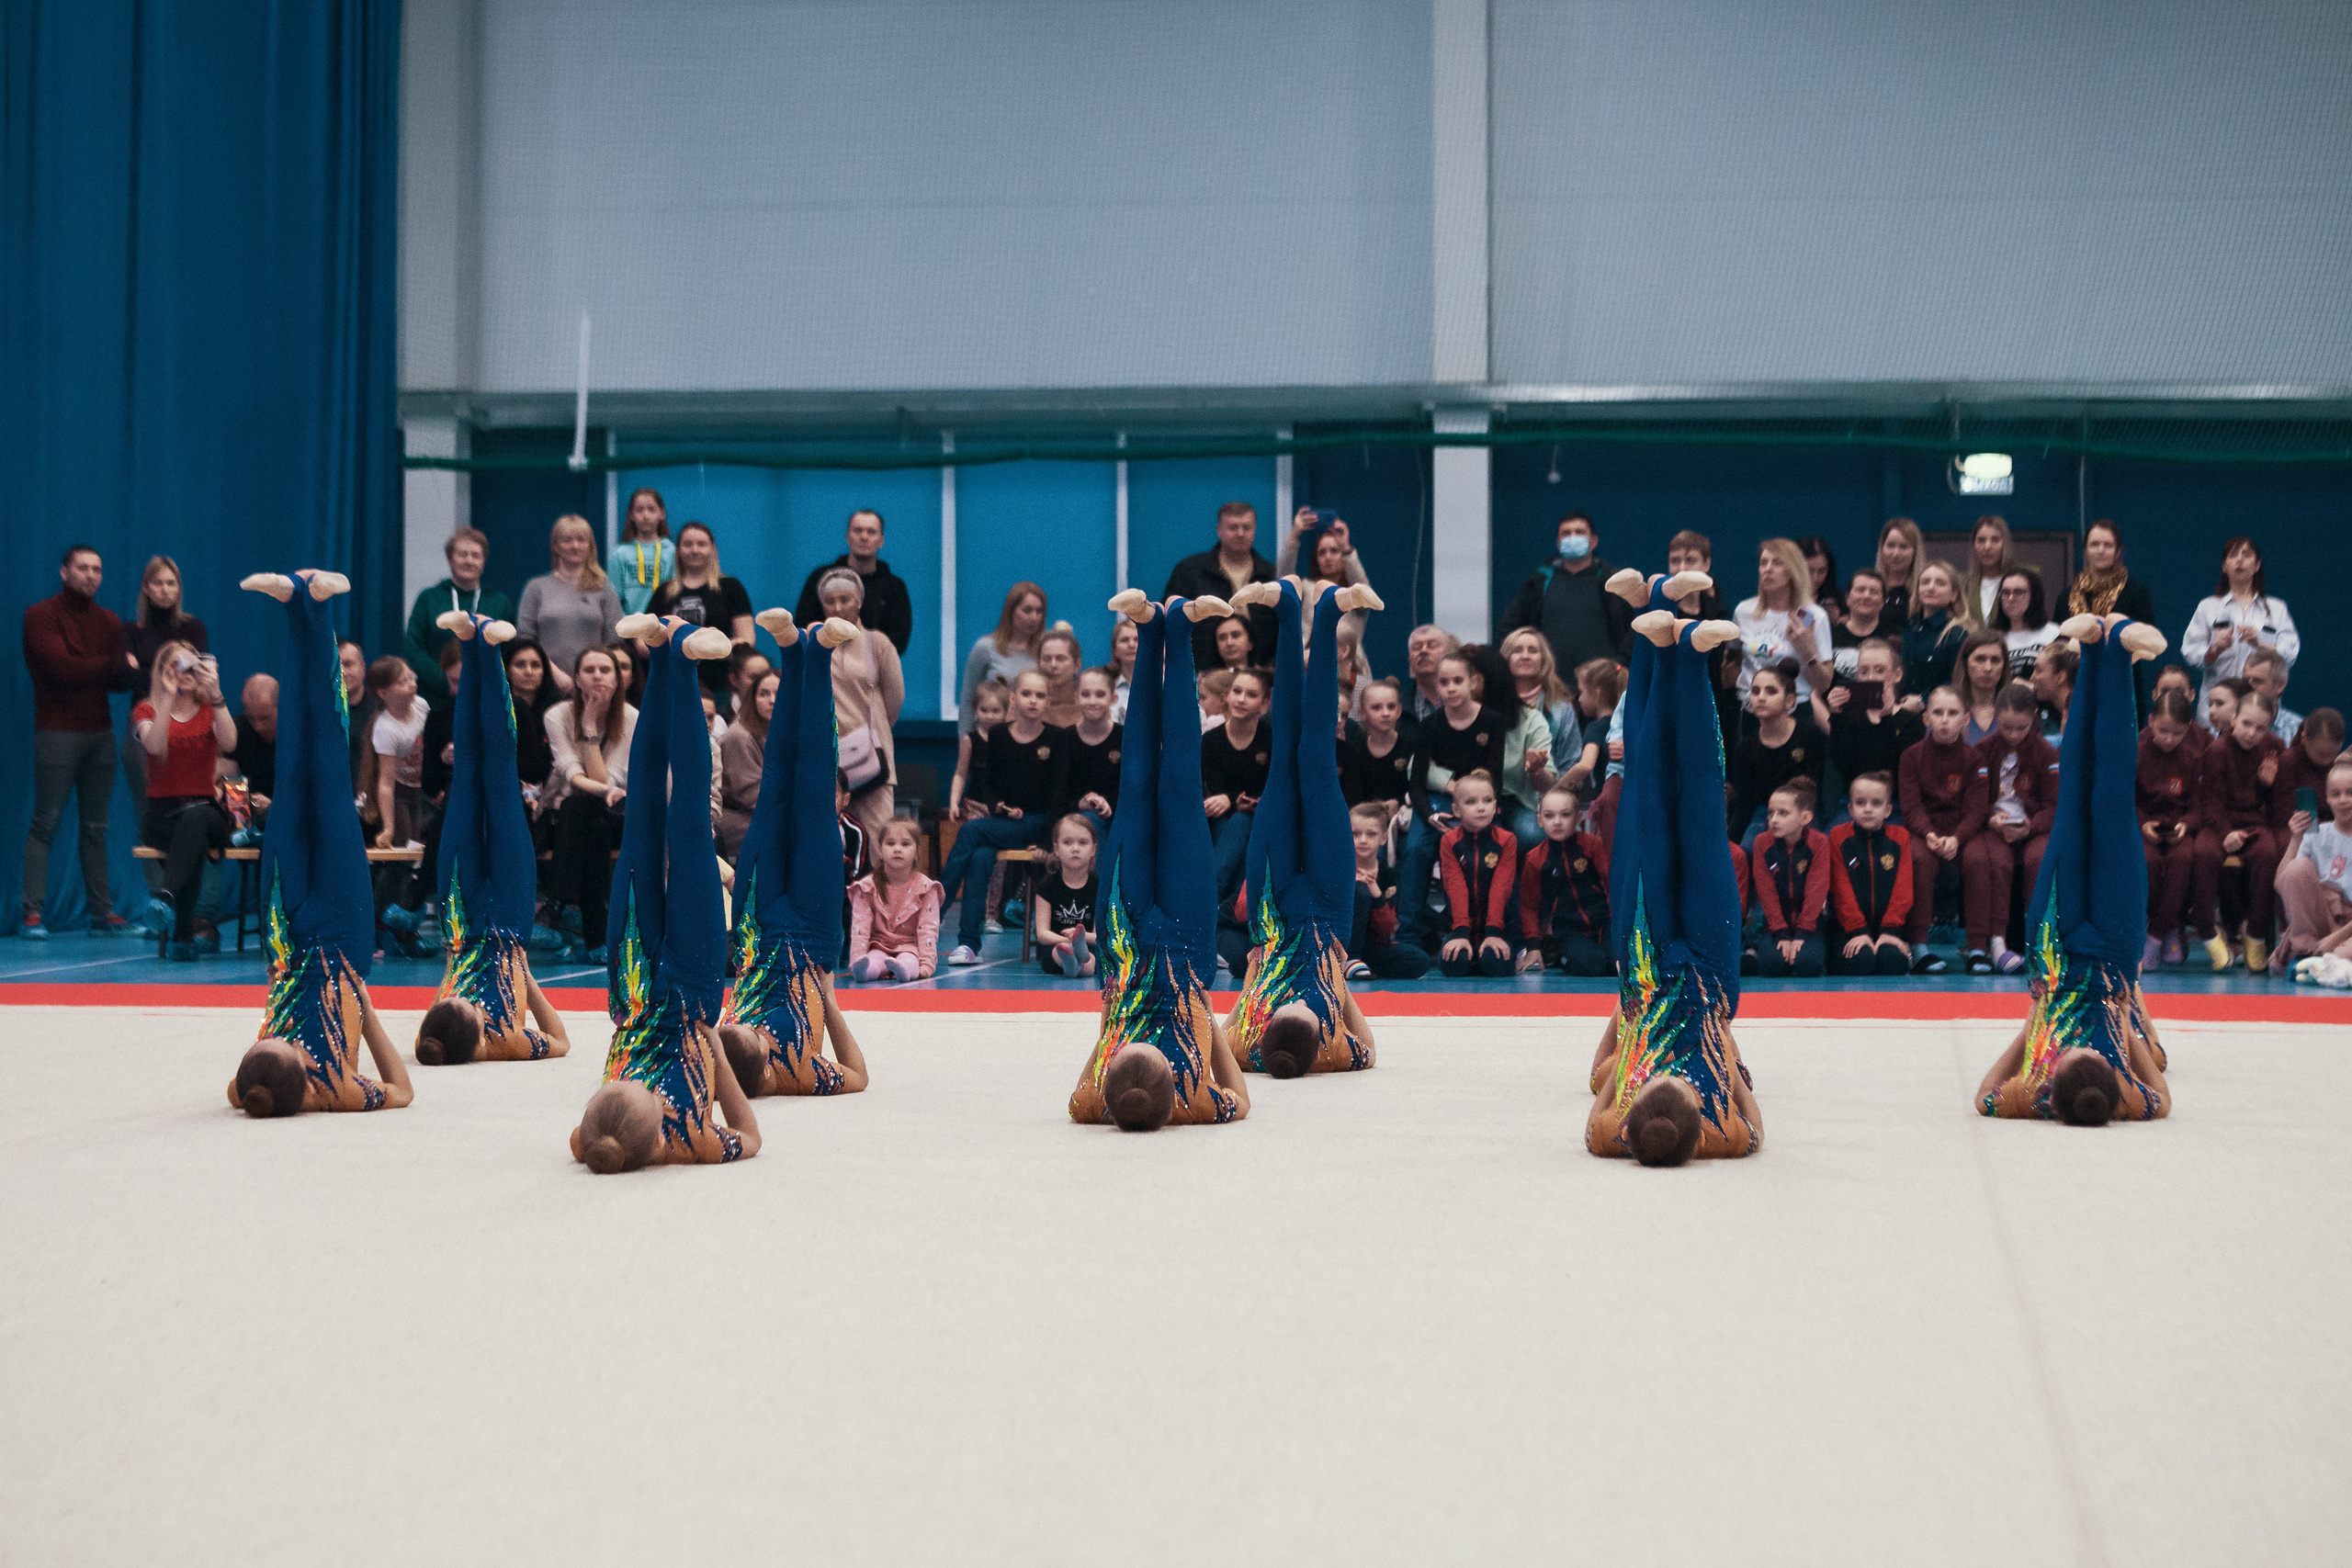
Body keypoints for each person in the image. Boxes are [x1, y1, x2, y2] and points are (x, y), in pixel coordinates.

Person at [572, 615, 766, 1168]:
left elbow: (749, 1136)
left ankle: (667, 653)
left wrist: (708, 1038)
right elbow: (749, 1140)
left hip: (662, 997)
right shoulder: (617, 1137)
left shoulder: (682, 1138)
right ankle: (670, 652)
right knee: (671, 823)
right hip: (646, 994)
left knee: (657, 822)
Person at [227, 570, 413, 1117]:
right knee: (324, 771)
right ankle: (314, 612)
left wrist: (359, 1001)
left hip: (289, 945)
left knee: (293, 770)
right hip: (337, 933)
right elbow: (402, 1091)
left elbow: (400, 1091)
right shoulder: (330, 1088)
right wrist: (362, 1002)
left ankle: (296, 607)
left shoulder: (257, 1085)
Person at [1587, 579, 1761, 1164]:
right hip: (1652, 970)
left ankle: (1676, 641)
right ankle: (1673, 642)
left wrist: (1729, 1068)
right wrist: (1636, 1035)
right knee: (1670, 803)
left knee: (1683, 804)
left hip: (1689, 974)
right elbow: (1598, 1086)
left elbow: (1749, 1105)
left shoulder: (1726, 1136)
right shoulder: (1612, 1130)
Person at [1974, 613, 2171, 1124]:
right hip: (2056, 956)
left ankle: (2110, 653)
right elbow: (1984, 1096)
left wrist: (2127, 1031)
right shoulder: (2038, 1090)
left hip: (2099, 952)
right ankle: (2097, 652)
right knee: (2091, 800)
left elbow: (2163, 1099)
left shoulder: (2121, 1096)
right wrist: (2026, 1034)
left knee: (2101, 797)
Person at [1070, 590, 1252, 1129]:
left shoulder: (1184, 1098)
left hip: (1138, 944)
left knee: (1146, 781)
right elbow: (1239, 1099)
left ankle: (1158, 630)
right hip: (1163, 942)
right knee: (1169, 784)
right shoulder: (1095, 1100)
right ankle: (1168, 629)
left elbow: (1239, 1098)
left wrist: (1205, 1020)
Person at [1219, 576, 1384, 1076]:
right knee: (1311, 756)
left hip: (1281, 911)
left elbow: (1369, 1047)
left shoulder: (1259, 1041)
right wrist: (1333, 982)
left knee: (1290, 759)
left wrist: (1329, 982)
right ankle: (1320, 609)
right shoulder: (1258, 1043)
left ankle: (1299, 607)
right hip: (1315, 910)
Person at [715, 609, 871, 1098]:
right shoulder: (794, 1072)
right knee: (811, 788)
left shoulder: (752, 1056)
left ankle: (794, 651)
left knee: (779, 789)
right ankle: (812, 655)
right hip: (804, 926)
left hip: (758, 929)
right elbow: (859, 1075)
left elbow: (858, 1077)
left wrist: (827, 999)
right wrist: (828, 996)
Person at [413, 613, 571, 1066]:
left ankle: (471, 643)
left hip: (464, 924)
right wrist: (521, 972)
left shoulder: (487, 1036)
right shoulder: (496, 1038)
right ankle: (485, 649)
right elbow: (559, 1042)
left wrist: (523, 975)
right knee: (496, 776)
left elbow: (558, 1041)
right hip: (492, 917)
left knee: (470, 774)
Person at [21, 544, 136, 938]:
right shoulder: (41, 616)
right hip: (56, 732)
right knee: (46, 823)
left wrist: (111, 669)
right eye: (83, 568)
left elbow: (124, 681)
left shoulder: (110, 621)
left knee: (95, 828)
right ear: (64, 572)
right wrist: (111, 665)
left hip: (100, 733)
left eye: (97, 569)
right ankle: (31, 914)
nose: (91, 575)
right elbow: (60, 670)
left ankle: (102, 914)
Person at [941, 667, 1075, 964]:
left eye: (1040, 695)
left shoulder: (1057, 738)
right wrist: (998, 805)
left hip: (1038, 823)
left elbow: (1058, 794)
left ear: (1048, 702)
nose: (1033, 701)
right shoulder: (999, 735)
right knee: (978, 858)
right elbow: (989, 783)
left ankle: (935, 907)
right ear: (1013, 698)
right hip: (1004, 822)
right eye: (1026, 694)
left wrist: (1047, 840)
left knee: (970, 832)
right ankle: (968, 945)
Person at [1398, 650, 1509, 948]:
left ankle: (1483, 929)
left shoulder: (1492, 722)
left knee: (1484, 855)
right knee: (1416, 851)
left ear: (1472, 682)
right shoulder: (1430, 725)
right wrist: (1429, 816)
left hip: (1479, 802)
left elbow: (1495, 779)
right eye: (1444, 682)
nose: (1451, 687)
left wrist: (1473, 809)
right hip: (1438, 804)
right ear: (1437, 685)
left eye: (1458, 680)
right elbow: (1416, 783)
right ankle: (1409, 934)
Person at [132, 640, 236, 958]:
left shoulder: (209, 709)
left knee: (196, 819)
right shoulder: (146, 709)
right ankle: (182, 938)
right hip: (163, 812)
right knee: (188, 835)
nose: (184, 673)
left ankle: (165, 899)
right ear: (163, 671)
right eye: (175, 666)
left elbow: (230, 743)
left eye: (191, 665)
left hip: (207, 809)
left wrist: (216, 693)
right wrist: (166, 696)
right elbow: (154, 746)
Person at [120, 555, 209, 889]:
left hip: (190, 726)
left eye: (171, 583)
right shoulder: (131, 630)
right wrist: (161, 674)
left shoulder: (193, 628)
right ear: (145, 587)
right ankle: (158, 898)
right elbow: (119, 675)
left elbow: (194, 676)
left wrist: (143, 671)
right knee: (150, 813)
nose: (164, 589)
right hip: (146, 726)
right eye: (158, 583)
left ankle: (184, 898)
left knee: (191, 814)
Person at [541, 647, 635, 960]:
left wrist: (591, 729)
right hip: (573, 815)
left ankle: (557, 904)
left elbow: (612, 779)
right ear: (577, 679)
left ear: (618, 679)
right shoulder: (557, 715)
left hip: (619, 812)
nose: (597, 675)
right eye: (589, 670)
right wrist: (586, 723)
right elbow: (573, 775)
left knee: (584, 810)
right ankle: (597, 937)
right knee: (585, 814)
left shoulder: (632, 718)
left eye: (605, 670)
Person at [1962, 682, 2059, 975]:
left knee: (2038, 860)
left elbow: (2055, 806)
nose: (2013, 735)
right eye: (2006, 728)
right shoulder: (1982, 750)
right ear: (1996, 719)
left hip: (2033, 828)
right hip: (1992, 827)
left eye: (2021, 727)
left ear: (2036, 717)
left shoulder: (2047, 754)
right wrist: (1990, 817)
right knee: (1982, 859)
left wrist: (2030, 826)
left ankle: (2039, 942)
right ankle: (1984, 944)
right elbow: (1974, 799)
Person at [2197, 687, 2285, 972]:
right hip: (2218, 822)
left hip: (2252, 823)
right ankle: (2208, 931)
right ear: (2233, 719)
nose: (2251, 733)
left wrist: (2267, 785)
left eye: (2261, 728)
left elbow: (2273, 801)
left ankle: (2255, 933)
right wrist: (2225, 834)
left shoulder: (2273, 748)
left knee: (2268, 852)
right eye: (2246, 724)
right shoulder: (2217, 750)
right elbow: (2209, 803)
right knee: (2204, 853)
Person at [812, 566, 904, 838]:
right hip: (828, 761)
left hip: (872, 762)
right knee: (829, 841)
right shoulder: (814, 644)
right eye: (830, 601)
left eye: (846, 599)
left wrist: (870, 734)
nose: (838, 607)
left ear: (859, 601)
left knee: (878, 841)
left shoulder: (878, 644)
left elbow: (895, 700)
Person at [1897, 688, 1973, 971]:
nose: (1945, 720)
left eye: (1952, 713)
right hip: (1923, 832)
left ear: (1966, 719)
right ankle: (1918, 946)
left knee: (1980, 857)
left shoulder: (1973, 758)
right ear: (1926, 718)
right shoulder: (1911, 756)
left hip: (1961, 833)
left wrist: (1957, 838)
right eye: (1938, 713)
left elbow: (1976, 808)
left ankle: (1980, 946)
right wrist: (1928, 834)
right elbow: (1911, 805)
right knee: (1919, 859)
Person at [401, 527, 515, 705]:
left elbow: (509, 652)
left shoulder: (500, 603)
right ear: (450, 559)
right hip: (436, 698)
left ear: (483, 561)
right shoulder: (429, 598)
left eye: (476, 555)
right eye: (462, 554)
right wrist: (446, 681)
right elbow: (414, 647)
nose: (469, 561)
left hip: (486, 697)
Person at [2181, 535, 2298, 708]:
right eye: (2233, 555)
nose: (2240, 560)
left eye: (2247, 555)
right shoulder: (2208, 607)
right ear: (2224, 566)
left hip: (2260, 708)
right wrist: (2215, 649)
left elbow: (2290, 654)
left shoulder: (2276, 609)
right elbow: (2189, 651)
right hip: (2217, 707)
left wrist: (2261, 644)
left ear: (2257, 565)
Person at [1162, 502, 1280, 670]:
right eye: (1233, 527)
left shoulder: (1270, 575)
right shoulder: (1190, 571)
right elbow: (1172, 622)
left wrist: (1269, 669)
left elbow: (1282, 628)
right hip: (1201, 673)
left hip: (1259, 675)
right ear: (1219, 530)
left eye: (1246, 527)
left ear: (1254, 530)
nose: (1240, 533)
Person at [517, 514, 622, 696]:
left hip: (593, 687)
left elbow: (614, 642)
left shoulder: (604, 588)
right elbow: (526, 640)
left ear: (589, 545)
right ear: (555, 546)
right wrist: (555, 674)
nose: (575, 546)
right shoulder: (536, 588)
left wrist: (589, 677)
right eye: (567, 540)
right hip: (546, 685)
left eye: (581, 540)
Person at [2137, 689, 2204, 968]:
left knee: (2183, 861)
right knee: (2147, 862)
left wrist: (2186, 825)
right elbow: (2128, 799)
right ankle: (2157, 924)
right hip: (2146, 826)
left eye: (2176, 733)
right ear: (2150, 720)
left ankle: (2158, 934)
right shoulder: (2137, 751)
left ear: (2187, 729)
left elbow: (2199, 804)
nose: (2168, 739)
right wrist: (2142, 823)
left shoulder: (2193, 756)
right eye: (2162, 730)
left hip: (2178, 827)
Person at [790, 507, 913, 655]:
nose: (864, 537)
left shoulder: (894, 587)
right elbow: (804, 626)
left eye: (871, 532)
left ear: (881, 540)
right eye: (858, 530)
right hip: (825, 662)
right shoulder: (820, 578)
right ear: (848, 537)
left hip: (874, 667)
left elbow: (898, 639)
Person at [1517, 784, 1611, 976]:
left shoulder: (1593, 845)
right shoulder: (1535, 859)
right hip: (1569, 931)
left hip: (1603, 924)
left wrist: (1620, 924)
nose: (1557, 822)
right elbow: (1529, 906)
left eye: (1565, 815)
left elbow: (1612, 884)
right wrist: (1533, 947)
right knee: (1595, 965)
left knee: (1620, 965)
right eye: (1549, 816)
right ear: (1540, 820)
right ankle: (1559, 954)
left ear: (1578, 817)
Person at [1732, 537, 1835, 713]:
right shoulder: (1744, 611)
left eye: (1777, 563)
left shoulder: (1812, 615)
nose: (1768, 569)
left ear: (1793, 571)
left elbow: (1823, 684)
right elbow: (1733, 665)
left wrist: (1807, 650)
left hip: (1795, 712)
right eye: (1763, 563)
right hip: (1751, 711)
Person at [647, 522, 754, 688]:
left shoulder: (731, 587)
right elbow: (642, 641)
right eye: (688, 544)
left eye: (701, 544)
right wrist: (679, 651)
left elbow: (747, 641)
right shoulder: (665, 591)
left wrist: (703, 650)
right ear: (678, 550)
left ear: (712, 548)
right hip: (672, 682)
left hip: (719, 684)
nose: (695, 550)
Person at [1202, 664, 1272, 920]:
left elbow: (1272, 787)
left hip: (1262, 817)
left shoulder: (1271, 739)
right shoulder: (1211, 740)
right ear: (1227, 696)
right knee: (1237, 829)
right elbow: (1217, 791)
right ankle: (1227, 909)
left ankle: (1209, 900)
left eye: (1251, 695)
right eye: (1237, 691)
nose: (1241, 699)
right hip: (1228, 818)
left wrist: (1238, 800)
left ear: (1264, 704)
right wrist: (1231, 800)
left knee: (1245, 825)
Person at [1725, 660, 1824, 842]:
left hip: (1802, 813)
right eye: (1755, 691)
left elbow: (1813, 790)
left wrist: (1789, 818)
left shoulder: (1810, 736)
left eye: (1771, 691)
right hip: (1762, 814)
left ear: (1789, 700)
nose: (1761, 697)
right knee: (1747, 848)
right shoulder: (1746, 748)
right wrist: (1731, 843)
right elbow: (1744, 804)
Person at [1827, 773, 1913, 976]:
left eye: (1876, 803)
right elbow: (1841, 890)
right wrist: (1859, 931)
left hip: (1889, 928)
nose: (1867, 809)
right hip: (1849, 929)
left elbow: (1903, 889)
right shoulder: (1838, 837)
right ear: (1850, 808)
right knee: (1861, 962)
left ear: (1888, 810)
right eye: (1860, 802)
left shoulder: (1900, 837)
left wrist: (1889, 932)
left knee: (1893, 964)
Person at [1435, 770, 1519, 978]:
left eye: (1488, 800)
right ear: (1456, 809)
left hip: (1498, 927)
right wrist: (1461, 934)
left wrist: (1493, 934)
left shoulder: (1507, 840)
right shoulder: (1449, 841)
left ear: (1496, 805)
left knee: (1495, 966)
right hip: (1461, 926)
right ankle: (1465, 947)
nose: (1481, 807)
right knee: (1454, 966)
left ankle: (1488, 951)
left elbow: (1501, 887)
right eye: (1471, 802)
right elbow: (1456, 888)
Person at [1827, 639, 1924, 807]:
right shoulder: (1849, 716)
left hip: (1894, 804)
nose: (1871, 677)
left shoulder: (1911, 720)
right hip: (1853, 803)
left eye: (1880, 670)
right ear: (1857, 676)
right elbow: (1842, 765)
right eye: (1863, 672)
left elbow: (1896, 773)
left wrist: (1885, 718)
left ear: (1896, 675)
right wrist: (1835, 716)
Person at [2279, 757, 2352, 974]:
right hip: (2321, 918)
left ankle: (2321, 959)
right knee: (2297, 868)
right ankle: (2307, 950)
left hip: (2348, 928)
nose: (2343, 800)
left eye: (2350, 792)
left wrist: (2336, 939)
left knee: (2340, 956)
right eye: (2336, 794)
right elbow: (2282, 882)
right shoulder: (2316, 833)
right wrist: (2295, 838)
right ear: (2327, 799)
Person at [846, 818, 941, 983]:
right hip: (879, 945)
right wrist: (857, 959)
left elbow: (928, 929)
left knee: (908, 959)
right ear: (880, 851)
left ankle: (904, 970)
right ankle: (865, 972)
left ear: (917, 852)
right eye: (890, 844)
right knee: (874, 959)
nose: (897, 849)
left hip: (909, 947)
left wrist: (926, 965)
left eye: (905, 844)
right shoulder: (867, 887)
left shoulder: (926, 888)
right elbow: (860, 927)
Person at [1751, 781, 1831, 977]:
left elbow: (1817, 893)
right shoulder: (1762, 843)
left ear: (1805, 817)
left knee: (1809, 966)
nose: (1774, 820)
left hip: (1810, 925)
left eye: (1783, 813)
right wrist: (1781, 933)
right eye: (1771, 813)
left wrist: (1802, 935)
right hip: (1776, 925)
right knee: (1772, 967)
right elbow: (1766, 893)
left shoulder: (1819, 842)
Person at [1346, 800, 1432, 979]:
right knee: (1359, 890)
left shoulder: (1388, 875)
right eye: (1355, 834)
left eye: (1371, 834)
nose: (1363, 840)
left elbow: (1387, 928)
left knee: (1420, 961)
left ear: (1383, 838)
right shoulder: (1339, 871)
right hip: (1340, 945)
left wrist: (1376, 892)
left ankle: (1361, 966)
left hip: (1372, 945)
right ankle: (1350, 960)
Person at [956, 581, 1046, 738]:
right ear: (1011, 612)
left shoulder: (1046, 649)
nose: (1034, 617)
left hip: (1035, 735)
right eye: (1027, 610)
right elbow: (968, 699)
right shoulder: (985, 648)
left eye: (1039, 611)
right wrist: (965, 741)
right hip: (992, 736)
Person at [1034, 815, 1100, 977]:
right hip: (1057, 946)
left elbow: (1100, 936)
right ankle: (1069, 963)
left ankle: (1076, 966)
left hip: (1088, 947)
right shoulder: (1046, 886)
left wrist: (1081, 939)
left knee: (1093, 960)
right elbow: (1042, 933)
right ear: (1056, 849)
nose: (1075, 848)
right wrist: (1068, 942)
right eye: (1067, 842)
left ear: (1093, 849)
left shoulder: (1100, 887)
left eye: (1082, 843)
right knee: (1058, 953)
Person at [717, 669, 773, 859]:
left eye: (779, 694)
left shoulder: (784, 730)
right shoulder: (739, 736)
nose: (772, 700)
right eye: (764, 694)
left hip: (768, 813)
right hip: (737, 818)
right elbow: (753, 796)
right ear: (752, 698)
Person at [1064, 667, 1122, 837]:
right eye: (1085, 694)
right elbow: (1058, 793)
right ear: (1076, 698)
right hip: (1077, 820)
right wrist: (1078, 804)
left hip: (1119, 815)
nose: (1092, 701)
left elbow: (1133, 789)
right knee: (1089, 821)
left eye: (1100, 695)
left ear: (1113, 698)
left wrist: (1107, 802)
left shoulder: (1125, 738)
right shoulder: (1065, 739)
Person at [1904, 560, 1968, 698]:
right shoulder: (1908, 629)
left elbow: (1958, 681)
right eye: (1925, 582)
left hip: (1938, 711)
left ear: (1954, 594)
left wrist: (1922, 700)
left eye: (1940, 583)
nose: (1931, 588)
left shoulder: (1957, 635)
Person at [948, 680, 1008, 820]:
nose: (990, 716)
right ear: (975, 710)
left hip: (1003, 805)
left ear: (1006, 711)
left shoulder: (1010, 739)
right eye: (984, 710)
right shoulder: (969, 740)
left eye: (996, 711)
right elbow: (961, 774)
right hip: (975, 804)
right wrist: (953, 802)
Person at [612, 487, 674, 616]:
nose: (645, 515)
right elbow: (614, 599)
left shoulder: (672, 552)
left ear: (662, 513)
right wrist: (629, 628)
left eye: (651, 509)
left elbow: (675, 595)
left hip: (663, 627)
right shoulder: (620, 554)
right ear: (631, 515)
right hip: (629, 628)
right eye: (639, 510)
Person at [1992, 570, 2059, 681]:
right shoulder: (1992, 636)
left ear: (2034, 596)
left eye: (2018, 592)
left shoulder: (2053, 633)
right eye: (2005, 592)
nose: (2011, 598)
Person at [222, 673, 279, 804]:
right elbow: (227, 772)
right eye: (251, 718)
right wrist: (240, 807)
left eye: (265, 718)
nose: (258, 726)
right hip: (255, 805)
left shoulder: (298, 735)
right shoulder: (240, 728)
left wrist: (273, 807)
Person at [1957, 514, 2018, 626]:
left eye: (1995, 540)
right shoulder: (1961, 583)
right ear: (1973, 544)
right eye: (1981, 540)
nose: (1987, 546)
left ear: (2005, 543)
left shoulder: (2023, 580)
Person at [1952, 629, 2010, 745]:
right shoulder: (1948, 710)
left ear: (2004, 666)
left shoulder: (2016, 710)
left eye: (1995, 660)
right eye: (1980, 659)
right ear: (1965, 663)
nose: (1988, 668)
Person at [1873, 516, 1925, 628]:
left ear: (1915, 551)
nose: (1896, 553)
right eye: (1890, 545)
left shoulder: (1925, 591)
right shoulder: (1871, 590)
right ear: (1882, 548)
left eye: (1904, 547)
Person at [2244, 648, 2301, 744]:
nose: (2249, 685)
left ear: (2280, 686)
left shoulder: (2297, 730)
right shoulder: (2228, 722)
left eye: (2258, 681)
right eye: (2246, 680)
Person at [1035, 627, 1083, 728]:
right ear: (1038, 664)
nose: (1053, 665)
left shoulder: (1089, 703)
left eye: (1061, 659)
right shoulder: (1023, 703)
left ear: (1077, 665)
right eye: (1047, 659)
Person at [2030, 641, 2077, 736]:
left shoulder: (2080, 713)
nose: (2032, 678)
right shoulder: (2038, 708)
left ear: (2060, 677)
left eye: (2039, 671)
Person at [1796, 535, 1844, 626]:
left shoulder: (1836, 599)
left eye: (1821, 571)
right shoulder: (1783, 596)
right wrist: (1821, 617)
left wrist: (1838, 623)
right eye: (1810, 571)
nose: (1815, 578)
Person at [1106, 619, 1138, 721]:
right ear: (1114, 650)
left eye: (1137, 640)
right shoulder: (1106, 690)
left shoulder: (1162, 685)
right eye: (1124, 640)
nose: (1131, 645)